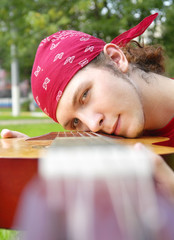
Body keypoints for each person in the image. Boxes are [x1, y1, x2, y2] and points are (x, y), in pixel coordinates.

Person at [1, 13, 174, 200]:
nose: (92, 125)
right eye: (75, 122)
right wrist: (36, 160)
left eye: (85, 95)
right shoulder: (121, 146)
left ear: (116, 59)